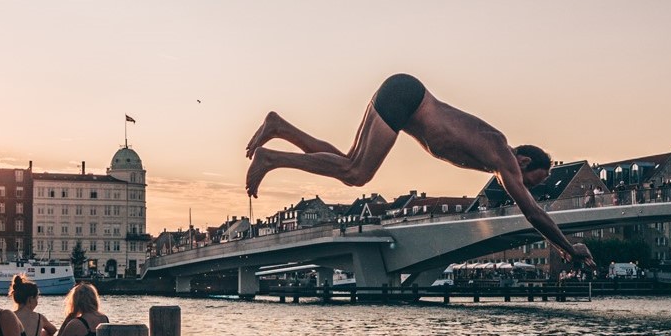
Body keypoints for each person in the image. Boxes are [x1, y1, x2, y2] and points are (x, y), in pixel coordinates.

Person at [245, 73, 595, 268]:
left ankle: (281, 127)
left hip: (403, 93)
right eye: (540, 178)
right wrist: (566, 246)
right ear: (524, 162)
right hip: (407, 97)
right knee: (356, 172)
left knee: (349, 163)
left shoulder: (495, 155)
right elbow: (532, 213)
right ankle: (271, 159)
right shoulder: (504, 157)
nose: (533, 186)